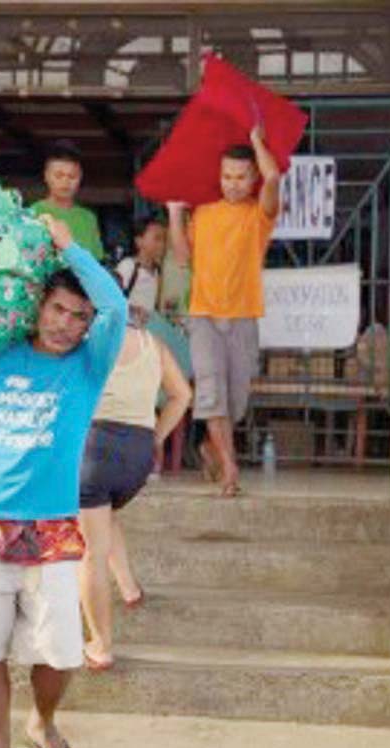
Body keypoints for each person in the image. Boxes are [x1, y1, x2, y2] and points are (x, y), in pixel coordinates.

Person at [0, 216, 126, 748]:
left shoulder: (89, 364)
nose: (65, 323)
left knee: (59, 654)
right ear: (39, 306)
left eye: (78, 317)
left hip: (51, 529)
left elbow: (118, 308)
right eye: (57, 308)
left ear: (88, 326)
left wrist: (70, 248)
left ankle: (41, 720)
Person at [167, 125, 281, 496]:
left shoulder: (259, 216)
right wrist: (174, 214)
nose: (233, 183)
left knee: (235, 401)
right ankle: (231, 469)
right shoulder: (202, 213)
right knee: (211, 394)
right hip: (204, 317)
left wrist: (255, 142)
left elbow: (275, 176)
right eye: (227, 176)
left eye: (241, 176)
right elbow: (183, 259)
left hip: (244, 316)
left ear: (251, 178)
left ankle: (210, 446)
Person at [77, 304, 191, 670]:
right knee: (104, 514)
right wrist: (155, 438)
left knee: (91, 551)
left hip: (95, 449)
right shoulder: (151, 343)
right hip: (138, 455)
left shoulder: (86, 342)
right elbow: (183, 395)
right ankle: (128, 588)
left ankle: (101, 644)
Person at [31, 140, 105, 262]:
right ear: (46, 176)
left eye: (72, 177)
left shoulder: (88, 218)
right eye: (58, 176)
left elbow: (97, 261)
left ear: (80, 178)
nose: (65, 182)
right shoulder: (34, 213)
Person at [114, 215, 165, 313]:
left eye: (164, 239)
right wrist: (133, 310)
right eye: (157, 239)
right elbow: (111, 299)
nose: (162, 244)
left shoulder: (157, 270)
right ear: (139, 241)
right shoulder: (128, 266)